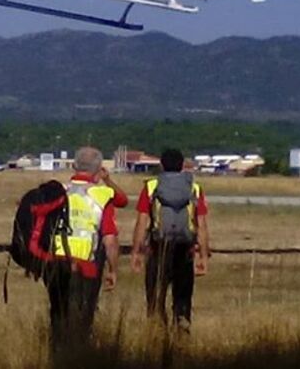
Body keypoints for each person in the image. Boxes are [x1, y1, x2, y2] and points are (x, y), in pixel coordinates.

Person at [44, 147, 120, 349]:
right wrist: (113, 269)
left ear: (75, 166)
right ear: (98, 169)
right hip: (86, 262)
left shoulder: (59, 190)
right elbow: (109, 239)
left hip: (56, 260)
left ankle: (56, 350)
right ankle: (77, 352)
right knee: (82, 313)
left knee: (58, 311)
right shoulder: (102, 195)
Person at [131, 149, 210, 331]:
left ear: (161, 165)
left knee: (155, 296)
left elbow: (142, 221)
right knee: (182, 296)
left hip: (158, 247)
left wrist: (136, 251)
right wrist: (203, 255)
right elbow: (201, 224)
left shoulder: (151, 186)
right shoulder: (194, 188)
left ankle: (156, 331)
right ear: (183, 166)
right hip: (185, 249)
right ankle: (181, 327)